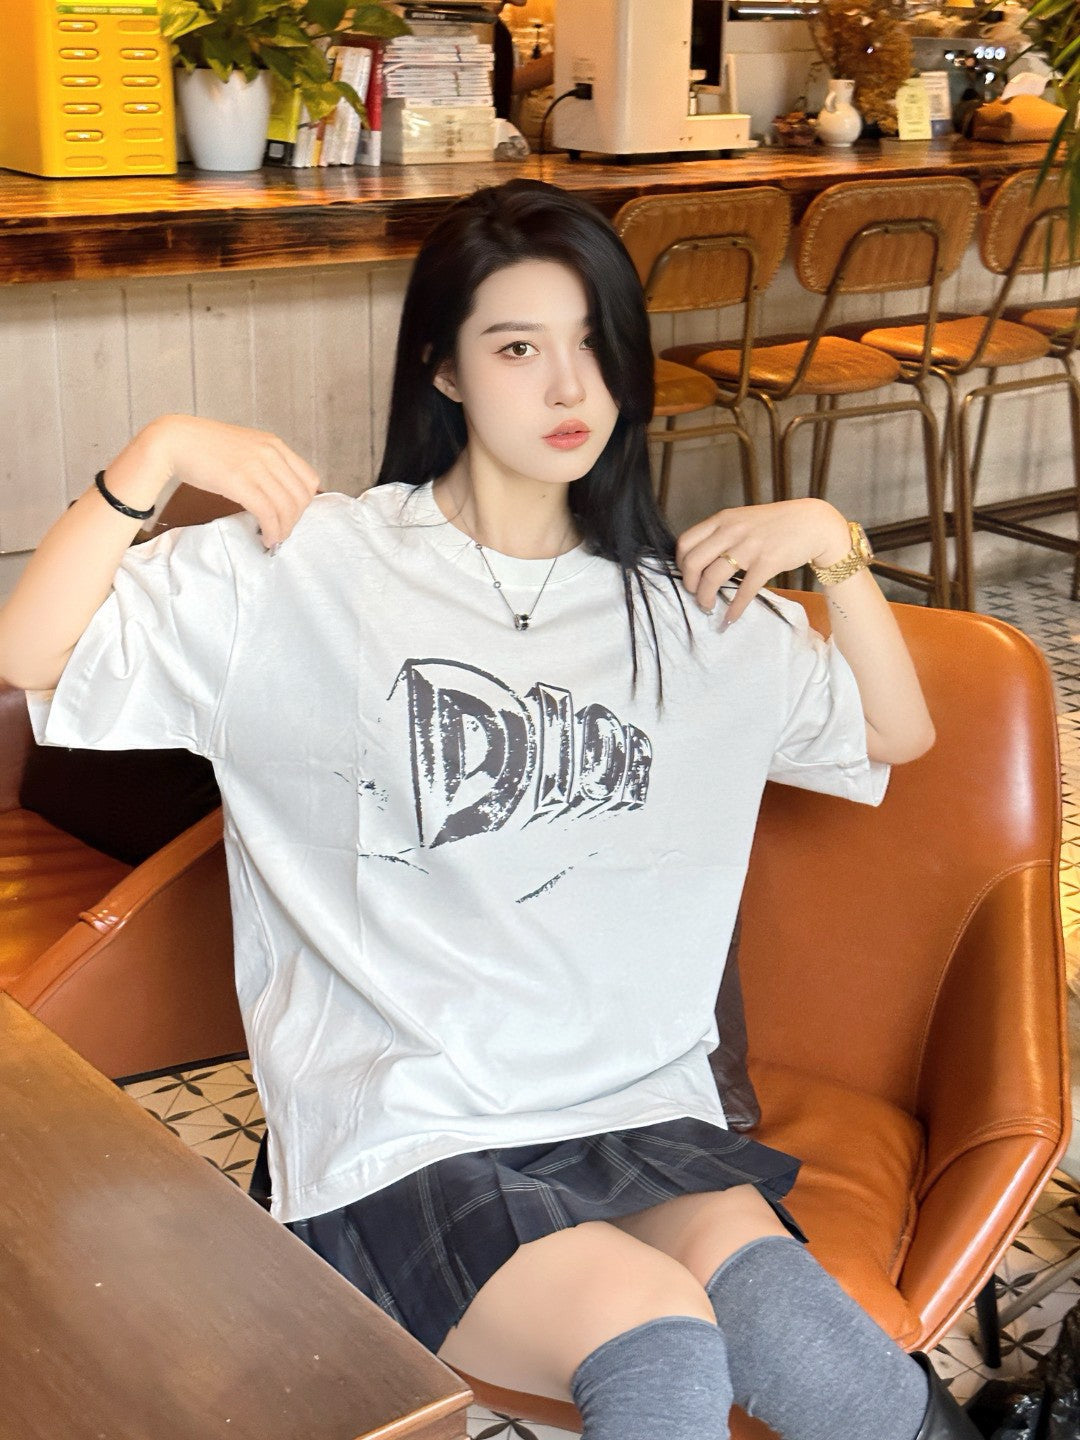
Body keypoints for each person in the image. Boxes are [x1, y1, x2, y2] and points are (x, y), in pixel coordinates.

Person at [0, 180, 977, 1440]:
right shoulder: (307, 568)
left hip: (633, 1108)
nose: (570, 388)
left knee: (834, 1363)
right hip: (403, 1131)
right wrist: (158, 456)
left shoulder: (684, 610)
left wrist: (835, 548)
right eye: (518, 348)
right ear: (444, 369)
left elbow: (895, 734)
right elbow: (28, 652)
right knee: (660, 1340)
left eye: (594, 345)